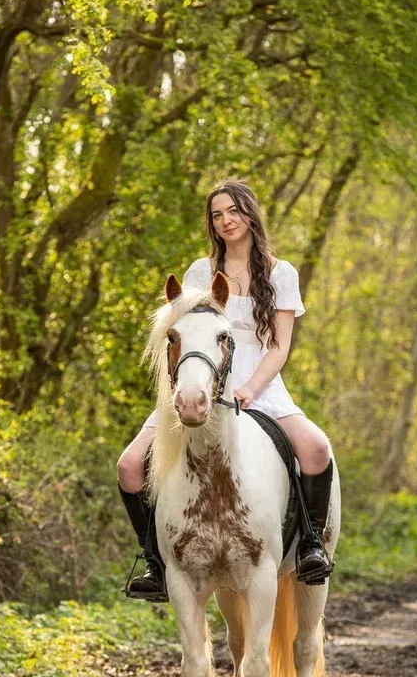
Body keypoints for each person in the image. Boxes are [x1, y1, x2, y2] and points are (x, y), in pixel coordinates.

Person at [117, 178, 334, 600]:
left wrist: (251, 388)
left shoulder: (280, 273)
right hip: (203, 378)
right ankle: (155, 560)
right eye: (217, 215)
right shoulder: (201, 271)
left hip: (260, 381)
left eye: (232, 211)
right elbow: (189, 333)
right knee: (128, 466)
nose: (225, 221)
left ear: (250, 214)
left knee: (316, 450)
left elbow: (279, 345)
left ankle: (309, 546)